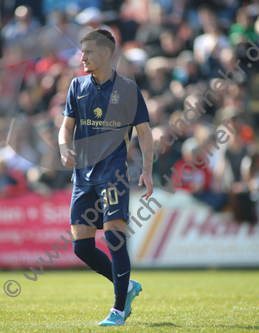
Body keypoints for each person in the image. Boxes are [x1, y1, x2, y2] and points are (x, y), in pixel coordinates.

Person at [58, 29, 153, 326]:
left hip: (113, 174)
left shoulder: (127, 89)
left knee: (114, 238)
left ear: (105, 53)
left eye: (87, 51)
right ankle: (127, 286)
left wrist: (148, 170)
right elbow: (65, 128)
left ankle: (118, 310)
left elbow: (145, 134)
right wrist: (64, 147)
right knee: (82, 247)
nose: (81, 57)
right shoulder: (77, 86)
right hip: (83, 176)